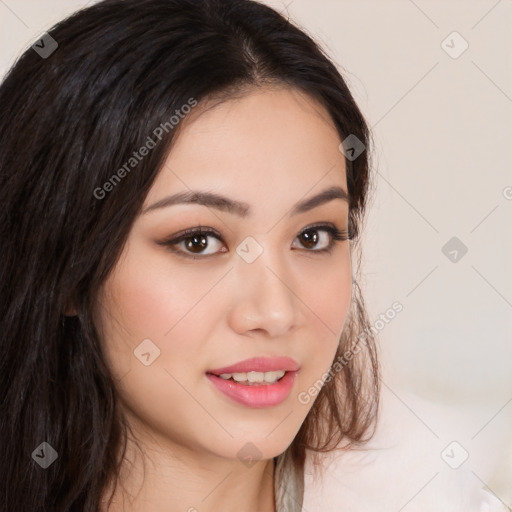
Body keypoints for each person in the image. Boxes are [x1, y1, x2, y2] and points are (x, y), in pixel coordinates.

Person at [0, 1, 505, 511]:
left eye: (313, 236)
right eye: (198, 241)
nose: (276, 312)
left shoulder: (430, 493)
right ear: (64, 268)